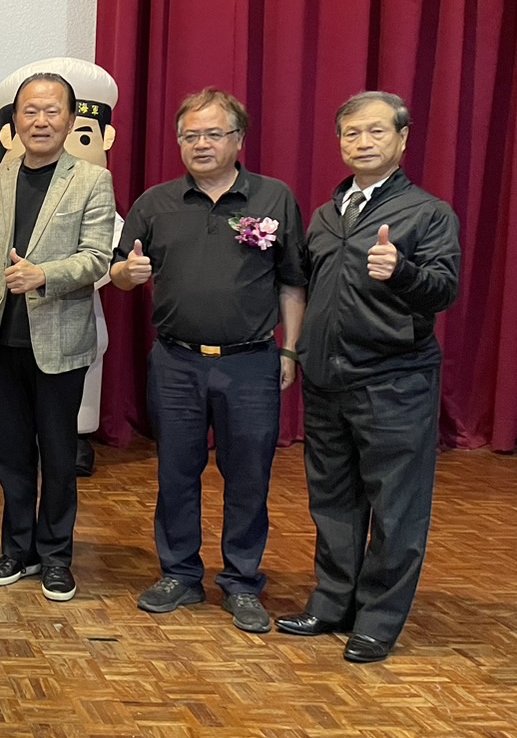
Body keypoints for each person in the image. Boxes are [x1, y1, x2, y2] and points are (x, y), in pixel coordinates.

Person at [110, 88, 307, 634]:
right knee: (176, 472)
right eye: (190, 135)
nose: (201, 144)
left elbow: (293, 282)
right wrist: (128, 274)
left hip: (251, 362)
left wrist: (290, 349)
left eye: (213, 134)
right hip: (176, 361)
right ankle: (179, 573)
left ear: (238, 139)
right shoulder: (155, 203)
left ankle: (242, 582)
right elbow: (119, 272)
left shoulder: (273, 198)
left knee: (249, 475)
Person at [277, 91, 461, 663]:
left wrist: (402, 270)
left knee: (396, 507)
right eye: (351, 133)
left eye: (376, 131)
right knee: (332, 500)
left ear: (402, 140)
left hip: (394, 381)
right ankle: (333, 603)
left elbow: (444, 289)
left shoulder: (428, 213)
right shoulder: (327, 214)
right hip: (325, 380)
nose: (362, 142)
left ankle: (379, 620)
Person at [0, 74, 115, 602]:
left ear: (72, 120)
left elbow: (97, 257)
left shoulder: (92, 180)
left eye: (52, 111)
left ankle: (56, 556)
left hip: (60, 341)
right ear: (14, 121)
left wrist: (43, 275)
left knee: (58, 456)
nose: (40, 121)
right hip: (2, 342)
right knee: (9, 454)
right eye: (29, 111)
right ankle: (17, 550)